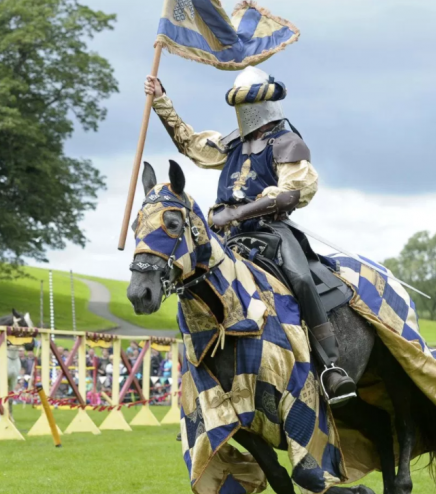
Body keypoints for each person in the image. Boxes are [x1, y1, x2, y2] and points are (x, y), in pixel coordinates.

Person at [145, 68, 355, 405]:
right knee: (193, 279)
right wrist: (160, 101)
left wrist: (237, 212)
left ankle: (331, 366)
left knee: (301, 279)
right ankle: (202, 375)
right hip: (227, 237)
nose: (246, 111)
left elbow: (292, 192)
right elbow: (191, 143)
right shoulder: (232, 144)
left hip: (269, 232)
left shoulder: (288, 143)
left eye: (252, 102)